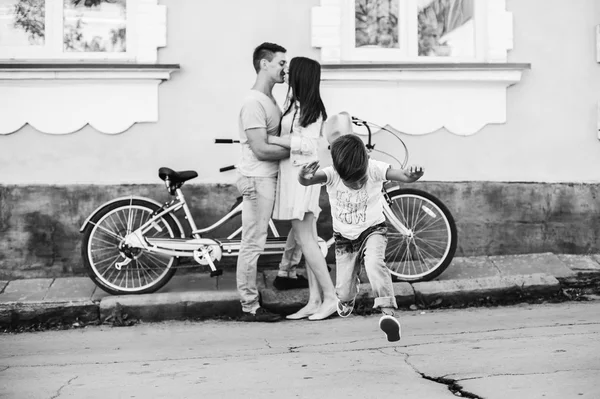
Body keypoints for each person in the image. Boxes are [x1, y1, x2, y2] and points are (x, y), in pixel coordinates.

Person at [297, 112, 424, 341]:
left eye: (360, 179)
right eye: (350, 181)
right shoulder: (332, 173)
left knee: (375, 264)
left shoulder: (374, 168)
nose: (356, 184)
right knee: (343, 290)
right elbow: (308, 180)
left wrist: (412, 175)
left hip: (373, 229)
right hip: (345, 238)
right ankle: (346, 298)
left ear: (365, 160)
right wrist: (303, 176)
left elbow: (401, 175)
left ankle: (388, 313)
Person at [267, 57, 337, 321]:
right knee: (307, 240)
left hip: (302, 176)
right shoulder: (295, 104)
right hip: (293, 176)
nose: (285, 71)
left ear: (300, 76)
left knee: (306, 239)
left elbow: (308, 145)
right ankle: (314, 299)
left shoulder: (311, 109)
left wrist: (274, 139)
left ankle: (330, 298)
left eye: (290, 69)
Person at [236, 42, 292, 322]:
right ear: (264, 64)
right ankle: (249, 306)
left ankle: (288, 272)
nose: (286, 68)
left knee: (300, 220)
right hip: (258, 180)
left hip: (269, 178)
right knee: (254, 242)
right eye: (281, 63)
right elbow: (261, 149)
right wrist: (299, 150)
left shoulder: (270, 99)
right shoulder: (253, 102)